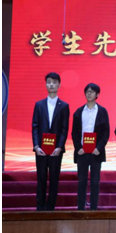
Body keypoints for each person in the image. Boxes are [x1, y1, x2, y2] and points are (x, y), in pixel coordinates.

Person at [31, 72, 70, 211]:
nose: (51, 85)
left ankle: (51, 208)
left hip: (56, 150)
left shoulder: (64, 106)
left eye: (54, 82)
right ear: (46, 84)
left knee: (54, 179)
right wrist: (36, 146)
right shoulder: (39, 104)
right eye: (48, 82)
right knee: (41, 178)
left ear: (59, 84)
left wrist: (59, 147)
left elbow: (64, 129)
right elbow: (35, 126)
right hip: (41, 149)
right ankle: (40, 207)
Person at [71, 83, 110, 211]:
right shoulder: (79, 112)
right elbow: (74, 133)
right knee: (82, 181)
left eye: (92, 91)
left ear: (97, 94)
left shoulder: (102, 111)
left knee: (95, 182)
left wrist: (99, 148)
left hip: (96, 152)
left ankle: (94, 209)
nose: (89, 93)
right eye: (87, 91)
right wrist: (78, 148)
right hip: (82, 152)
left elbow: (106, 133)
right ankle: (80, 209)